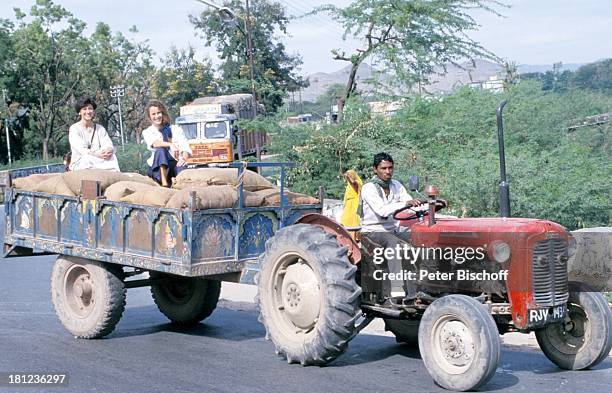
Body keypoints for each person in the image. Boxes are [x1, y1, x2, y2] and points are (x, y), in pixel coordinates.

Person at [360, 152, 423, 303]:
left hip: (392, 229)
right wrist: (406, 204)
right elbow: (382, 210)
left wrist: (426, 205)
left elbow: (410, 203)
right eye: (384, 168)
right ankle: (396, 287)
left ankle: (422, 285)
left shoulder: (396, 185)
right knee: (393, 243)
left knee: (419, 240)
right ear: (375, 169)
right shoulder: (368, 188)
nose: (388, 172)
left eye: (390, 168)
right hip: (373, 231)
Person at [142, 100, 192, 187]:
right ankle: (164, 182)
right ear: (149, 117)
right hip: (157, 168)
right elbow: (154, 143)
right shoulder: (147, 132)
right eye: (153, 114)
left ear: (163, 113)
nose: (157, 116)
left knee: (182, 175)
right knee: (160, 150)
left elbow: (185, 147)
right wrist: (170, 144)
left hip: (175, 163)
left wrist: (183, 158)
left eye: (159, 113)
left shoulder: (175, 129)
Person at [68, 97, 120, 171]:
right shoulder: (74, 129)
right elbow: (81, 150)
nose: (88, 111)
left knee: (113, 157)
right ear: (79, 112)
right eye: (84, 109)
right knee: (87, 159)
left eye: (90, 109)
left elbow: (107, 143)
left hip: (99, 159)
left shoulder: (100, 128)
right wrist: (96, 154)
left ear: (93, 111)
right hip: (82, 161)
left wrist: (108, 150)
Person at [340, 169, 363, 235]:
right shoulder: (348, 185)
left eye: (350, 175)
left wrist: (348, 176)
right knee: (345, 222)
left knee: (353, 223)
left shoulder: (356, 183)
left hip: (354, 205)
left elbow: (353, 182)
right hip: (348, 205)